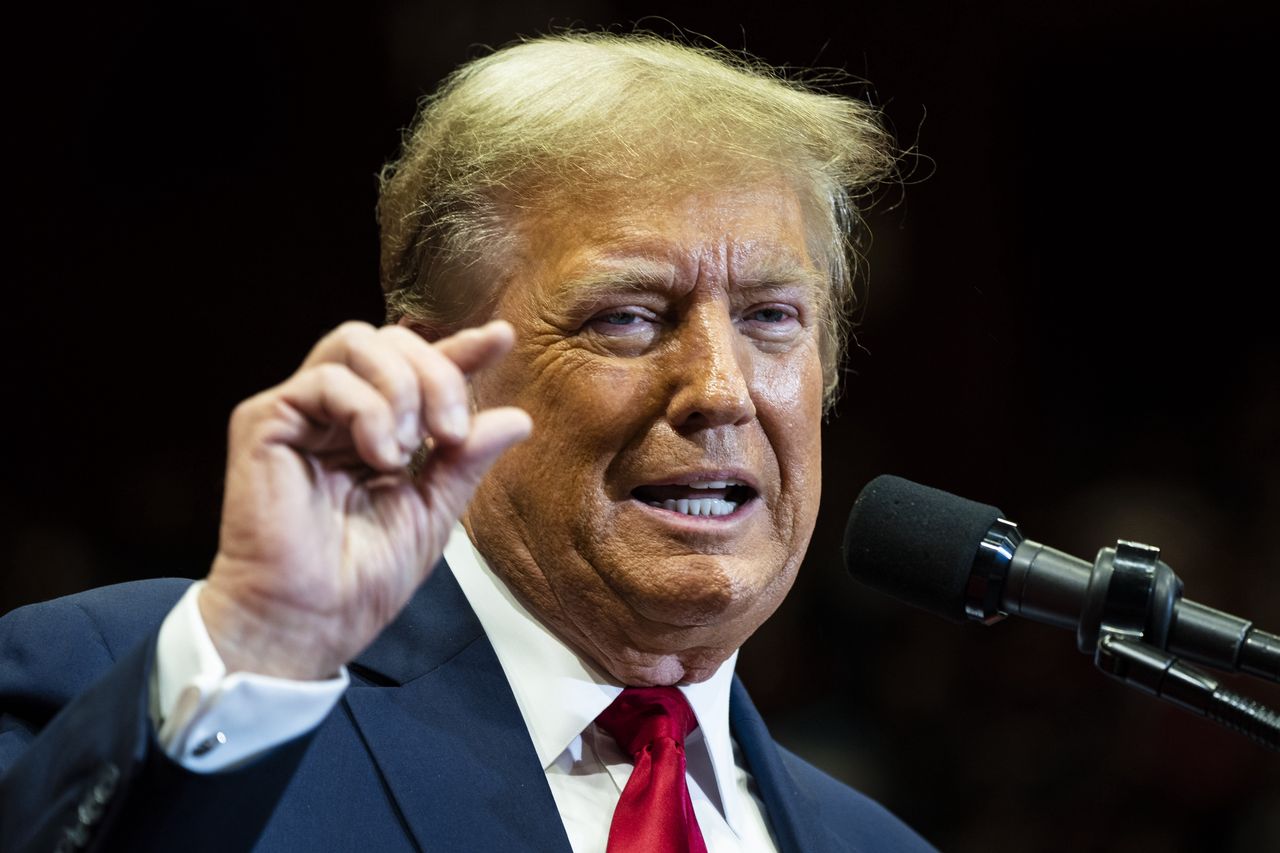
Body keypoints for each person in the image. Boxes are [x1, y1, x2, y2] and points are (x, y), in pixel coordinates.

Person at [0, 32, 936, 852]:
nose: (721, 390)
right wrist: (259, 649)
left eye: (772, 316)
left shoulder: (878, 842)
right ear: (431, 380)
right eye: (628, 317)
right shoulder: (134, 683)